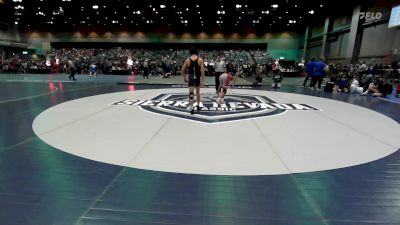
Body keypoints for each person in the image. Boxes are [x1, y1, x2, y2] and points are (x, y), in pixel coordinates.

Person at [181, 47, 205, 115]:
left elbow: (182, 71)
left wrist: (185, 78)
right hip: (197, 78)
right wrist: (202, 81)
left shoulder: (187, 60)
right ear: (196, 52)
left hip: (191, 78)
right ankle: (197, 105)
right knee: (198, 93)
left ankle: (191, 107)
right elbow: (203, 72)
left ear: (190, 52)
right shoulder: (200, 60)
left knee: (191, 93)